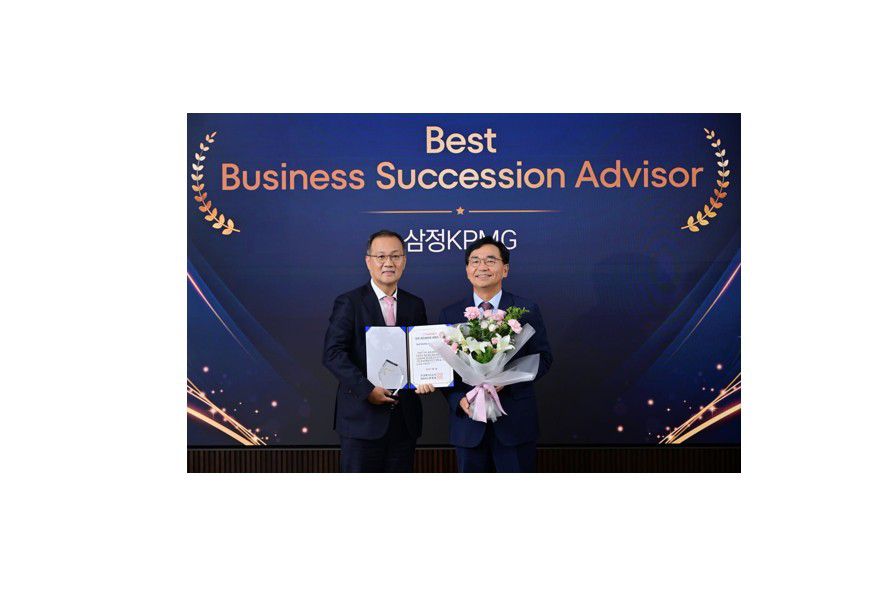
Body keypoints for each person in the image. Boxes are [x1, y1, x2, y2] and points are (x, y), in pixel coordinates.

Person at [322, 230, 434, 472]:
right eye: (381, 256)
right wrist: (367, 390)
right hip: (361, 419)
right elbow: (333, 354)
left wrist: (427, 377)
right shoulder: (349, 302)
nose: (388, 263)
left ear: (404, 260)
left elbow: (421, 353)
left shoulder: (415, 304)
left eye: (395, 256)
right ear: (368, 261)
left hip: (404, 421)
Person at [438, 237, 553, 472]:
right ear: (467, 270)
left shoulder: (526, 310)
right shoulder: (450, 314)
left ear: (505, 269)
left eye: (490, 260)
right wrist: (458, 399)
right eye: (475, 261)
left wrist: (508, 380)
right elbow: (443, 370)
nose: (482, 267)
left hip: (515, 424)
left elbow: (543, 358)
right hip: (468, 424)